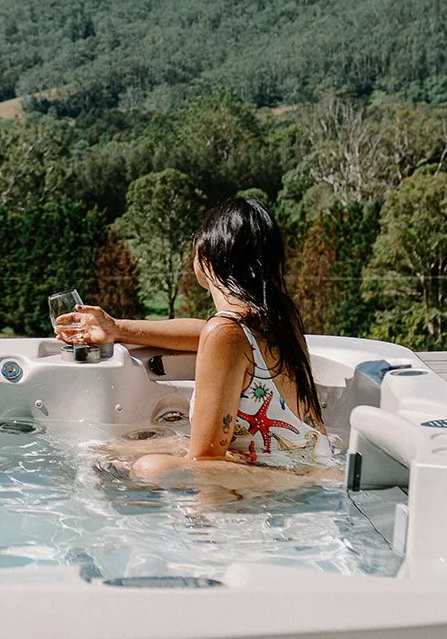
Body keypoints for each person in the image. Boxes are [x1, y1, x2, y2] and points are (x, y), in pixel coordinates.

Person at [60, 199, 333, 489]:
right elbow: (204, 332)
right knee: (113, 450)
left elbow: (205, 456)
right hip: (312, 465)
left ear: (205, 256)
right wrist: (117, 329)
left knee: (151, 468)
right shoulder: (278, 316)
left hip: (290, 480)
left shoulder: (226, 334)